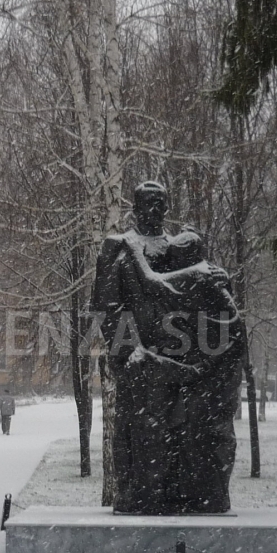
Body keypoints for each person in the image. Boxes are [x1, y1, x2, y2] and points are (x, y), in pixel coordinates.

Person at [91, 181, 245, 514]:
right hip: (140, 359)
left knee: (187, 433)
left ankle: (187, 494)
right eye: (148, 203)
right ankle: (141, 497)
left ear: (167, 207)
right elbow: (106, 306)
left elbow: (201, 294)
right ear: (135, 207)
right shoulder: (117, 247)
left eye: (161, 203)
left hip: (184, 356)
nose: (155, 210)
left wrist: (221, 279)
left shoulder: (179, 248)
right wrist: (128, 349)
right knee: (141, 432)